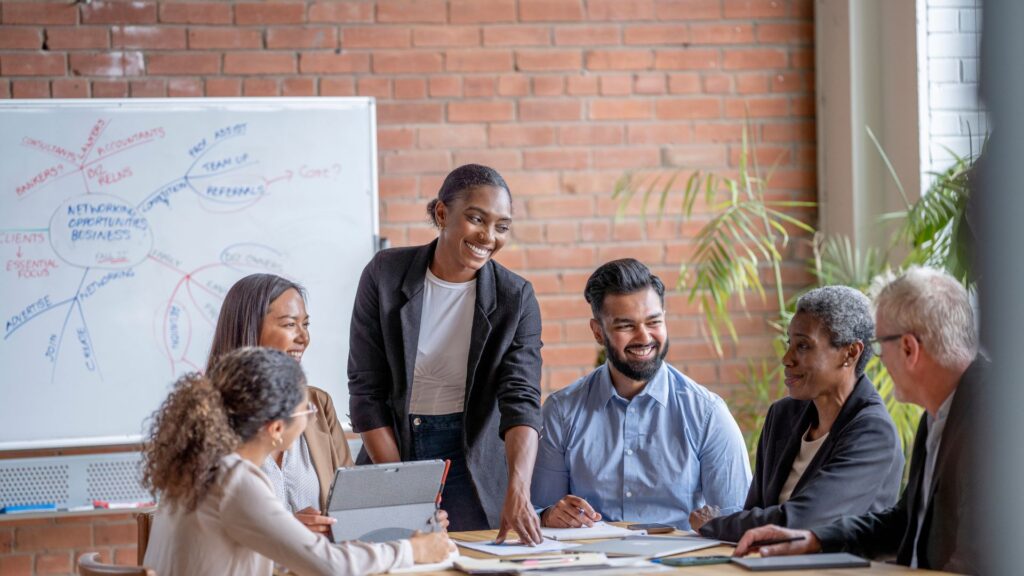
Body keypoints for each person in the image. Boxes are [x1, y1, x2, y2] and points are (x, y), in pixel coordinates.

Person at [734, 267, 984, 574]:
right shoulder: (939, 415)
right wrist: (815, 539)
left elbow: (978, 559)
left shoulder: (990, 422)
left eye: (879, 345)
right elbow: (903, 523)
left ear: (908, 348)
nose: (875, 359)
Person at [348, 164, 543, 542]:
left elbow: (521, 400)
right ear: (441, 213)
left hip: (471, 460)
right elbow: (366, 391)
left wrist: (518, 489)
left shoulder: (515, 298)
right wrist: (403, 488)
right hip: (391, 447)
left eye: (501, 226)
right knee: (390, 562)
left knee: (472, 562)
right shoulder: (385, 275)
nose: (488, 236)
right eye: (476, 219)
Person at [143, 347, 452, 576]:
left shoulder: (200, 467)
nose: (312, 417)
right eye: (306, 411)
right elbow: (330, 566)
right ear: (276, 429)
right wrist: (412, 549)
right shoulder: (234, 479)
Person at [531, 258, 751, 530]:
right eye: (626, 326)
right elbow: (542, 511)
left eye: (653, 322)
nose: (644, 337)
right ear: (598, 332)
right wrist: (551, 514)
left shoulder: (708, 414)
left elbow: (737, 523)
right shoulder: (561, 411)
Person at [692, 286, 904, 542]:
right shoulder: (781, 415)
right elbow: (755, 511)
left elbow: (804, 520)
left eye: (803, 346)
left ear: (850, 353)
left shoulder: (873, 432)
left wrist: (716, 524)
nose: (786, 358)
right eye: (789, 344)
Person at [207, 273, 353, 535]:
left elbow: (353, 505)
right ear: (249, 329)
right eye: (289, 325)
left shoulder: (317, 404)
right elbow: (206, 523)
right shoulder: (205, 415)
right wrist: (283, 528)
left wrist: (414, 518)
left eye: (305, 325)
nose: (303, 338)